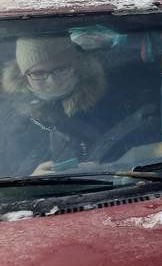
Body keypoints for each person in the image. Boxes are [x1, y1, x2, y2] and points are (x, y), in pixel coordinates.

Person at [0, 36, 112, 176]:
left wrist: (106, 170)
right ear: (23, 75)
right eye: (38, 73)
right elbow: (6, 181)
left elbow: (134, 154)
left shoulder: (108, 98)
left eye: (60, 69)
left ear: (76, 66)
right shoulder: (7, 118)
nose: (52, 81)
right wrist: (31, 181)